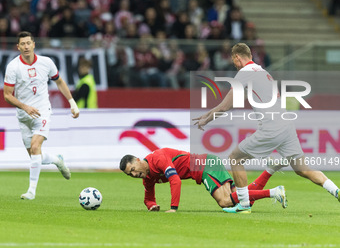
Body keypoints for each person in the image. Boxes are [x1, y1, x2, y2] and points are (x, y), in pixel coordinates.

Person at [193, 43, 340, 213]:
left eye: (234, 60)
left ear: (237, 57)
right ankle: (335, 190)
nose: (234, 64)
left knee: (235, 158)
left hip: (272, 128)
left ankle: (244, 204)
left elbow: (226, 106)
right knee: (302, 169)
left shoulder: (245, 73)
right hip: (286, 126)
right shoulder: (263, 72)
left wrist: (206, 119)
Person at [3, 31, 80, 200]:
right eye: (22, 44)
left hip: (42, 111)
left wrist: (72, 102)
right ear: (18, 47)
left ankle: (31, 191)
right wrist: (25, 107)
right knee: (34, 156)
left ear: (34, 44)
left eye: (28, 43)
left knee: (36, 147)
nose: (26, 47)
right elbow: (7, 95)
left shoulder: (46, 62)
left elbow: (59, 81)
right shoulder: (13, 67)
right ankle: (56, 159)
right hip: (24, 115)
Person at [120, 147, 287, 213]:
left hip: (205, 165)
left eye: (133, 170)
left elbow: (175, 180)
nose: (134, 175)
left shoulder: (158, 158)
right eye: (130, 174)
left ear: (138, 160)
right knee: (242, 200)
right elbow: (148, 198)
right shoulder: (148, 177)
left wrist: (173, 208)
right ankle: (270, 171)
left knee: (225, 202)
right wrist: (152, 206)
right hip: (207, 164)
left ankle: (274, 192)